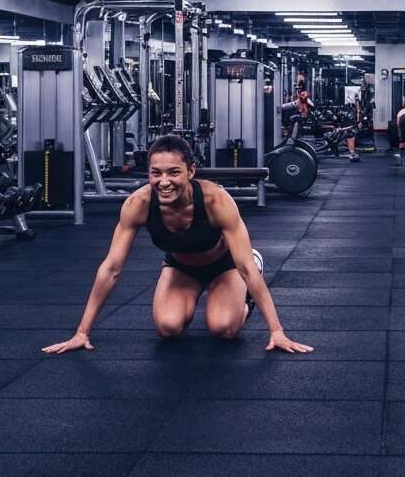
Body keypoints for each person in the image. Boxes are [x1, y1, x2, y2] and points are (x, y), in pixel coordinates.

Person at [43, 135, 313, 355]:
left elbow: (244, 267)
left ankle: (244, 298)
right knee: (168, 328)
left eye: (173, 172)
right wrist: (82, 332)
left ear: (191, 171)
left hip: (224, 266)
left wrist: (276, 331)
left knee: (224, 329)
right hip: (181, 267)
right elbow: (111, 268)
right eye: (156, 173)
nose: (164, 182)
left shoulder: (216, 201)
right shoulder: (137, 204)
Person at [345, 94, 364, 162]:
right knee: (351, 136)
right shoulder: (351, 108)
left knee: (352, 136)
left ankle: (352, 152)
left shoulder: (357, 106)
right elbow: (357, 115)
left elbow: (359, 114)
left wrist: (359, 122)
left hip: (355, 123)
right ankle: (351, 152)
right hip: (351, 124)